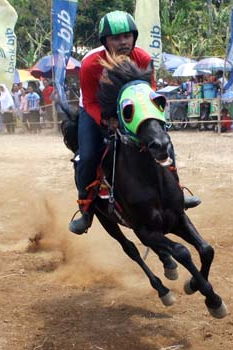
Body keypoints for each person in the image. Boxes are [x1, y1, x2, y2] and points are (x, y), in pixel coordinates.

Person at [69, 10, 200, 235]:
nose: (122, 42)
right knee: (88, 155)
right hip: (97, 110)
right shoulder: (91, 64)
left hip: (130, 109)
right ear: (105, 41)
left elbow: (149, 93)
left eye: (127, 36)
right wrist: (105, 121)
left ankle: (176, 191)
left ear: (134, 37)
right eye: (116, 38)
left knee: (163, 142)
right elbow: (90, 101)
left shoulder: (142, 58)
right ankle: (86, 208)